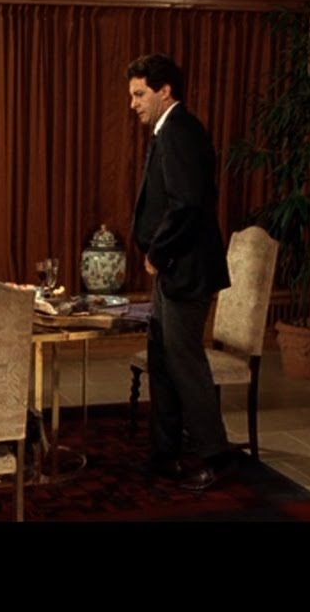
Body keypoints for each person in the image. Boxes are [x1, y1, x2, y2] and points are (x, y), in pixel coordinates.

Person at [128, 53, 237, 492]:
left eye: (140, 94)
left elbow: (188, 203)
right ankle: (165, 452)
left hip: (185, 269)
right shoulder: (170, 129)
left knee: (184, 363)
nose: (134, 103)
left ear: (165, 90)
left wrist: (158, 251)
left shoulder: (179, 131)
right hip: (175, 270)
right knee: (161, 358)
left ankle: (214, 456)